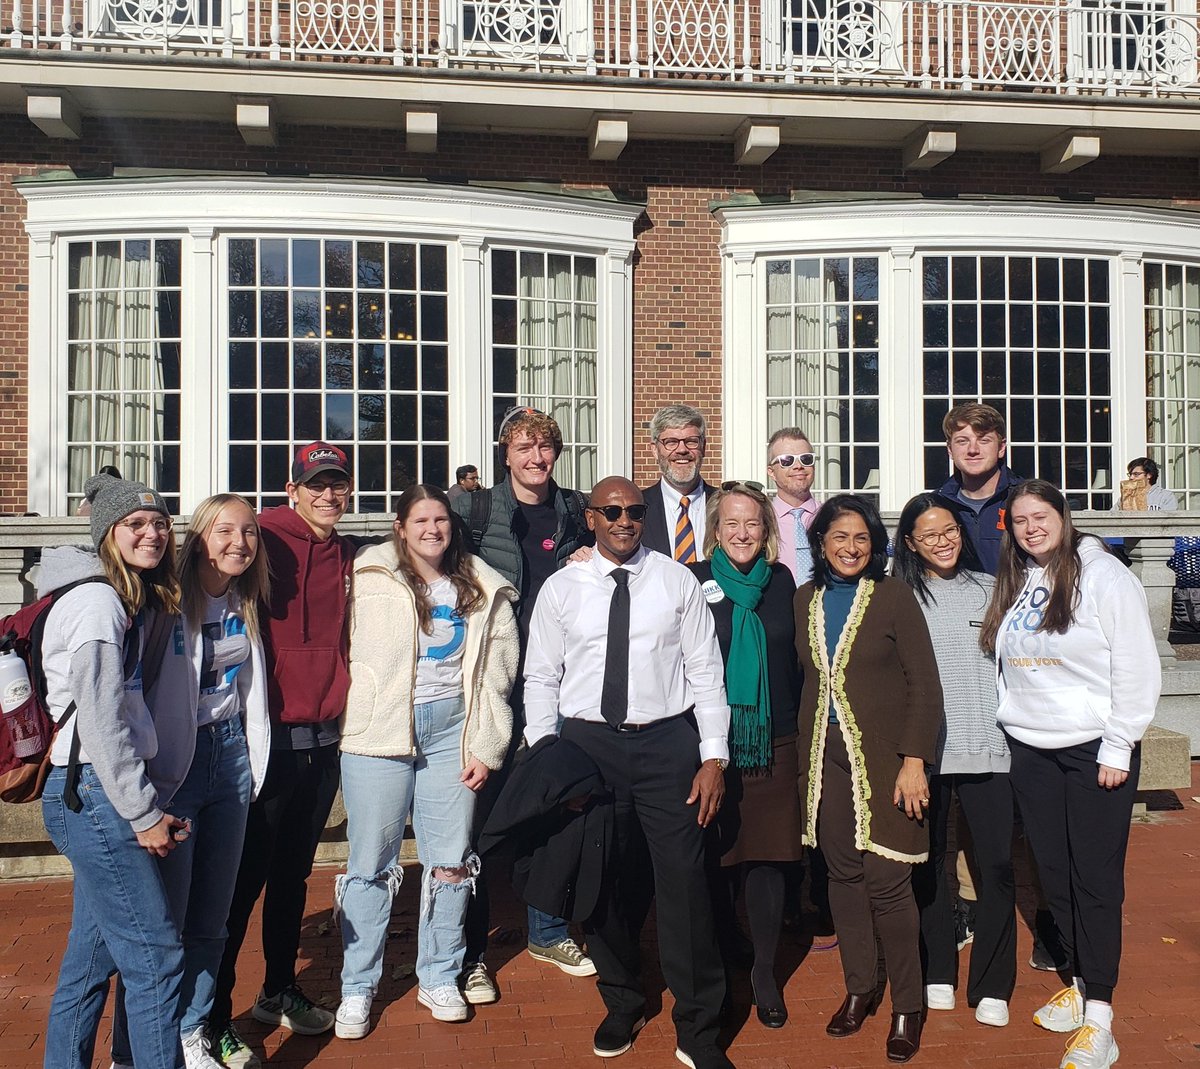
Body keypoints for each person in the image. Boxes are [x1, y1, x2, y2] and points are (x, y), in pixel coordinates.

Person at [524, 476, 734, 1069]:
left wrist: (713, 756)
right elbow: (541, 676)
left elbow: (705, 671)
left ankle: (699, 1027)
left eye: (635, 511)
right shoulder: (562, 588)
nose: (625, 521)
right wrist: (549, 759)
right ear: (590, 517)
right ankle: (623, 999)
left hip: (667, 745)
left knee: (685, 883)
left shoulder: (675, 580)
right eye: (612, 511)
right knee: (604, 880)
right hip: (588, 747)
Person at [980, 480, 1161, 1069]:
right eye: (1020, 520)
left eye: (1042, 516)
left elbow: (1136, 664)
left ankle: (1101, 1017)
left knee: (1095, 880)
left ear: (1064, 516)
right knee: (1054, 876)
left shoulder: (1105, 576)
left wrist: (1119, 743)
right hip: (1032, 749)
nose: (1031, 528)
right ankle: (1081, 984)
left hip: (1093, 752)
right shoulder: (1021, 578)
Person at [334, 484, 518, 1034]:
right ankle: (357, 987)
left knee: (451, 860)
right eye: (420, 520)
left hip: (452, 732)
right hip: (378, 731)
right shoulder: (366, 576)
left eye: (441, 519)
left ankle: (440, 974)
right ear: (400, 527)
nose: (433, 529)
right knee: (370, 863)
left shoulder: (482, 586)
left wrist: (486, 743)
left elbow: (498, 672)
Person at [110, 494, 272, 1069]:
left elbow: (246, 688)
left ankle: (193, 1031)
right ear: (199, 538)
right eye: (225, 531)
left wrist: (249, 755)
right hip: (173, 765)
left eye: (249, 532)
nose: (239, 543)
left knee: (212, 920)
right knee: (165, 924)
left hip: (229, 758)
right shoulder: (167, 601)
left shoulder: (246, 599)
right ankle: (132, 1049)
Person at [209, 442, 357, 1069]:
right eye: (315, 484)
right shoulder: (261, 537)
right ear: (292, 490)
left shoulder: (349, 553)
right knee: (240, 884)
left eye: (338, 484)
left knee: (293, 876)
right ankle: (212, 1016)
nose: (328, 494)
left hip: (323, 740)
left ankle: (277, 989)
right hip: (265, 740)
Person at [40, 473, 188, 1069]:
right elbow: (102, 723)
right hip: (95, 795)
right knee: (157, 960)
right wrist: (143, 812)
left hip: (90, 792)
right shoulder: (98, 604)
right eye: (135, 524)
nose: (152, 533)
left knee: (92, 959)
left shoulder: (123, 599)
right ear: (107, 534)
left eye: (159, 523)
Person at [451, 406, 595, 1002]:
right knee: (478, 816)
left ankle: (548, 930)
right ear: (505, 454)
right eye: (524, 448)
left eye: (545, 447)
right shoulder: (473, 510)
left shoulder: (578, 511)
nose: (536, 458)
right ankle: (470, 953)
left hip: (559, 681)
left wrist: (590, 557)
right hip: (492, 680)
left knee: (554, 806)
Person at [794, 494, 943, 1064]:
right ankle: (859, 988)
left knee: (888, 881)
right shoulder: (804, 599)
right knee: (843, 876)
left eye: (861, 538)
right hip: (822, 758)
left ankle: (907, 1004)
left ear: (875, 545)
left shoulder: (893, 597)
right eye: (839, 537)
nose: (851, 548)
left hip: (886, 759)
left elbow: (924, 684)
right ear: (821, 543)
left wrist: (914, 761)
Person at [893, 493, 1015, 1030]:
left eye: (949, 530)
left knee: (996, 867)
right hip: (926, 755)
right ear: (910, 543)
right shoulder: (898, 597)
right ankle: (938, 969)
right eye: (928, 534)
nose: (941, 541)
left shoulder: (992, 590)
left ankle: (992, 983)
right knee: (929, 864)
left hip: (989, 748)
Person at [689, 482, 802, 1029]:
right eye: (731, 523)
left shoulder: (782, 582)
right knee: (719, 858)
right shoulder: (691, 581)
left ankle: (763, 970)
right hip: (714, 746)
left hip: (776, 741)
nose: (741, 533)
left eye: (752, 523)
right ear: (715, 530)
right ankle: (724, 950)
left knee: (768, 859)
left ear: (767, 530)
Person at [939, 403, 1021, 577]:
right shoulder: (937, 506)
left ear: (1001, 448)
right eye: (962, 441)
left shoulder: (1027, 499)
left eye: (984, 440)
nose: (973, 450)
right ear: (950, 450)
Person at [641, 404, 717, 562]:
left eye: (691, 441)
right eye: (671, 442)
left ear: (703, 447)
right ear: (655, 450)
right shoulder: (636, 509)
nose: (682, 450)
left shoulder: (724, 504)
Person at [767, 427, 820, 586]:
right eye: (787, 460)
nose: (798, 466)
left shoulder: (831, 517)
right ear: (771, 472)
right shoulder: (761, 521)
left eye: (806, 459)